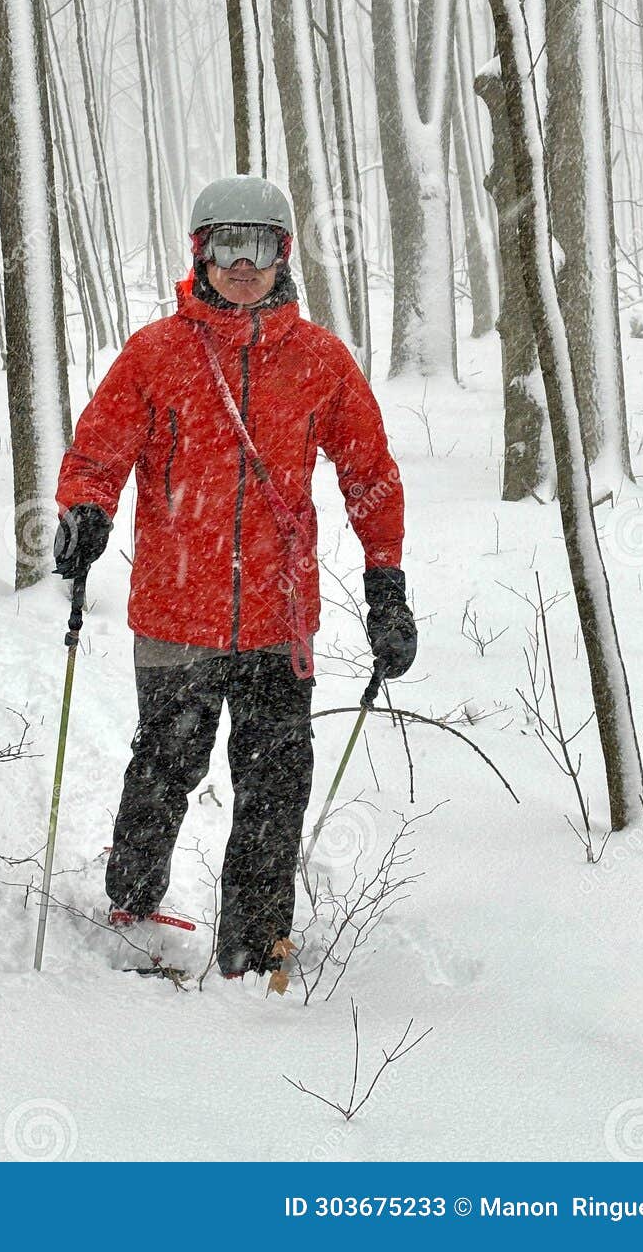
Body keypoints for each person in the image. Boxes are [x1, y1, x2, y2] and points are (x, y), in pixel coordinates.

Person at [53, 175, 415, 978]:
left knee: (274, 786)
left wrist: (385, 581)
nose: (240, 263)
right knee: (165, 765)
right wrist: (85, 509)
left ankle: (253, 945)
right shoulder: (156, 353)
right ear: (199, 252)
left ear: (283, 254)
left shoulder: (318, 360)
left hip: (277, 622)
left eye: (258, 245)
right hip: (174, 610)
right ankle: (132, 901)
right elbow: (98, 449)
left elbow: (369, 473)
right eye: (224, 244)